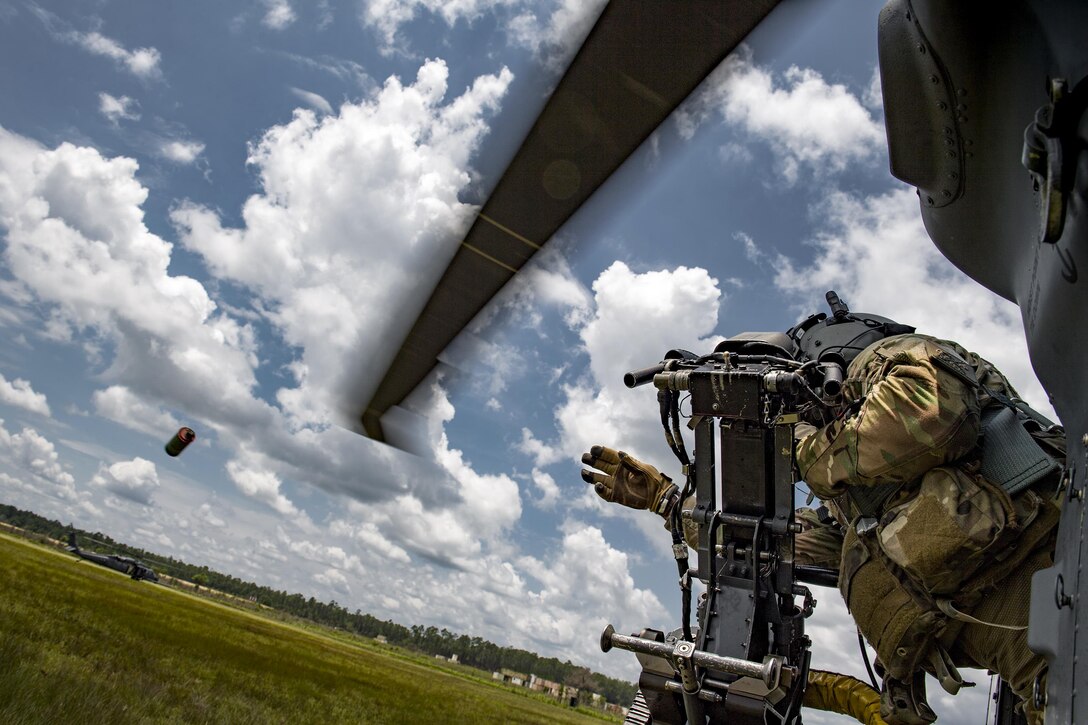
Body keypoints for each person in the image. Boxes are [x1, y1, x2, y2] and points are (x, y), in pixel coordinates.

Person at [580, 311, 1064, 725]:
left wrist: (806, 447)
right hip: (1038, 671)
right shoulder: (861, 504)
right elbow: (771, 546)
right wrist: (667, 501)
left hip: (1064, 604)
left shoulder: (889, 356)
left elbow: (934, 407)